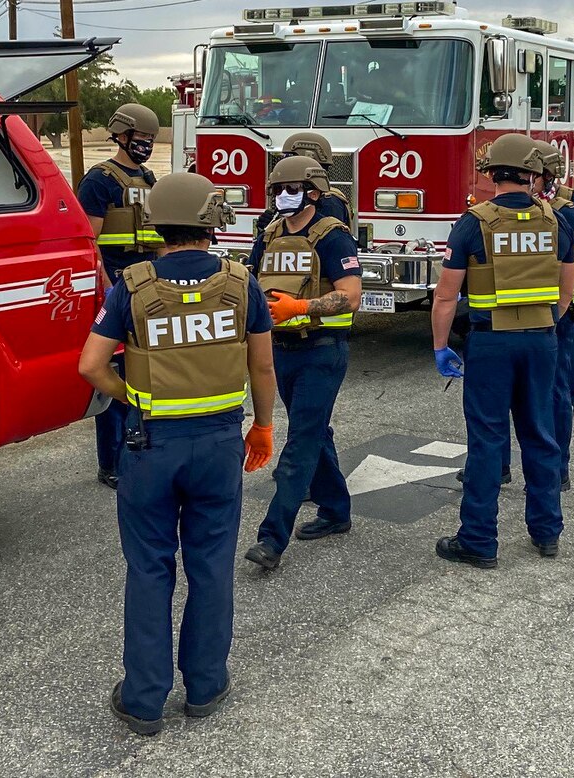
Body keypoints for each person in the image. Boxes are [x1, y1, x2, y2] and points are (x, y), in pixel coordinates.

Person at [78, 172, 276, 735]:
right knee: (211, 566)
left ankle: (143, 698)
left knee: (149, 568)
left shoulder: (133, 286)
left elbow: (90, 366)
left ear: (154, 221)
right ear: (212, 221)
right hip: (218, 444)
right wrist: (261, 427)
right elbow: (261, 366)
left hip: (151, 443)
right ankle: (206, 685)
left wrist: (133, 397)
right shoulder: (241, 284)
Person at [430, 133, 574, 568]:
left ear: (491, 173)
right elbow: (567, 288)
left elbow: (444, 295)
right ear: (533, 175)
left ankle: (478, 539)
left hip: (490, 343)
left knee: (488, 440)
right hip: (541, 341)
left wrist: (440, 346)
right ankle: (546, 532)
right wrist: (545, 322)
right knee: (540, 434)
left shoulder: (474, 223)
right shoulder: (556, 221)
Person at [244, 156, 362, 571]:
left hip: (322, 349)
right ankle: (335, 510)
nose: (281, 196)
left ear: (314, 192)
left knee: (300, 443)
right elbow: (251, 282)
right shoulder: (270, 233)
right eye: (276, 189)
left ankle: (272, 538)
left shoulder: (332, 237)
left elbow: (350, 294)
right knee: (315, 432)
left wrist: (303, 306)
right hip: (281, 350)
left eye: (290, 189)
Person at [77, 103, 164, 490]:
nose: (145, 146)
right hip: (116, 284)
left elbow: (160, 239)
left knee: (144, 370)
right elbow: (87, 241)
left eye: (149, 140)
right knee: (112, 376)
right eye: (140, 139)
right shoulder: (99, 181)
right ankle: (110, 463)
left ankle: (138, 448)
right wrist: (105, 287)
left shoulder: (148, 179)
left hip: (146, 283)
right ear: (122, 135)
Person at [534, 140, 574, 489]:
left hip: (558, 315)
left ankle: (559, 469)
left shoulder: (567, 209)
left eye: (531, 175)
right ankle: (499, 468)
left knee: (556, 395)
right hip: (524, 320)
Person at [254, 131, 352, 239]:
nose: (285, 163)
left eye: (289, 157)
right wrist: (269, 232)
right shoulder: (312, 198)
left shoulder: (330, 203)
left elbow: (317, 243)